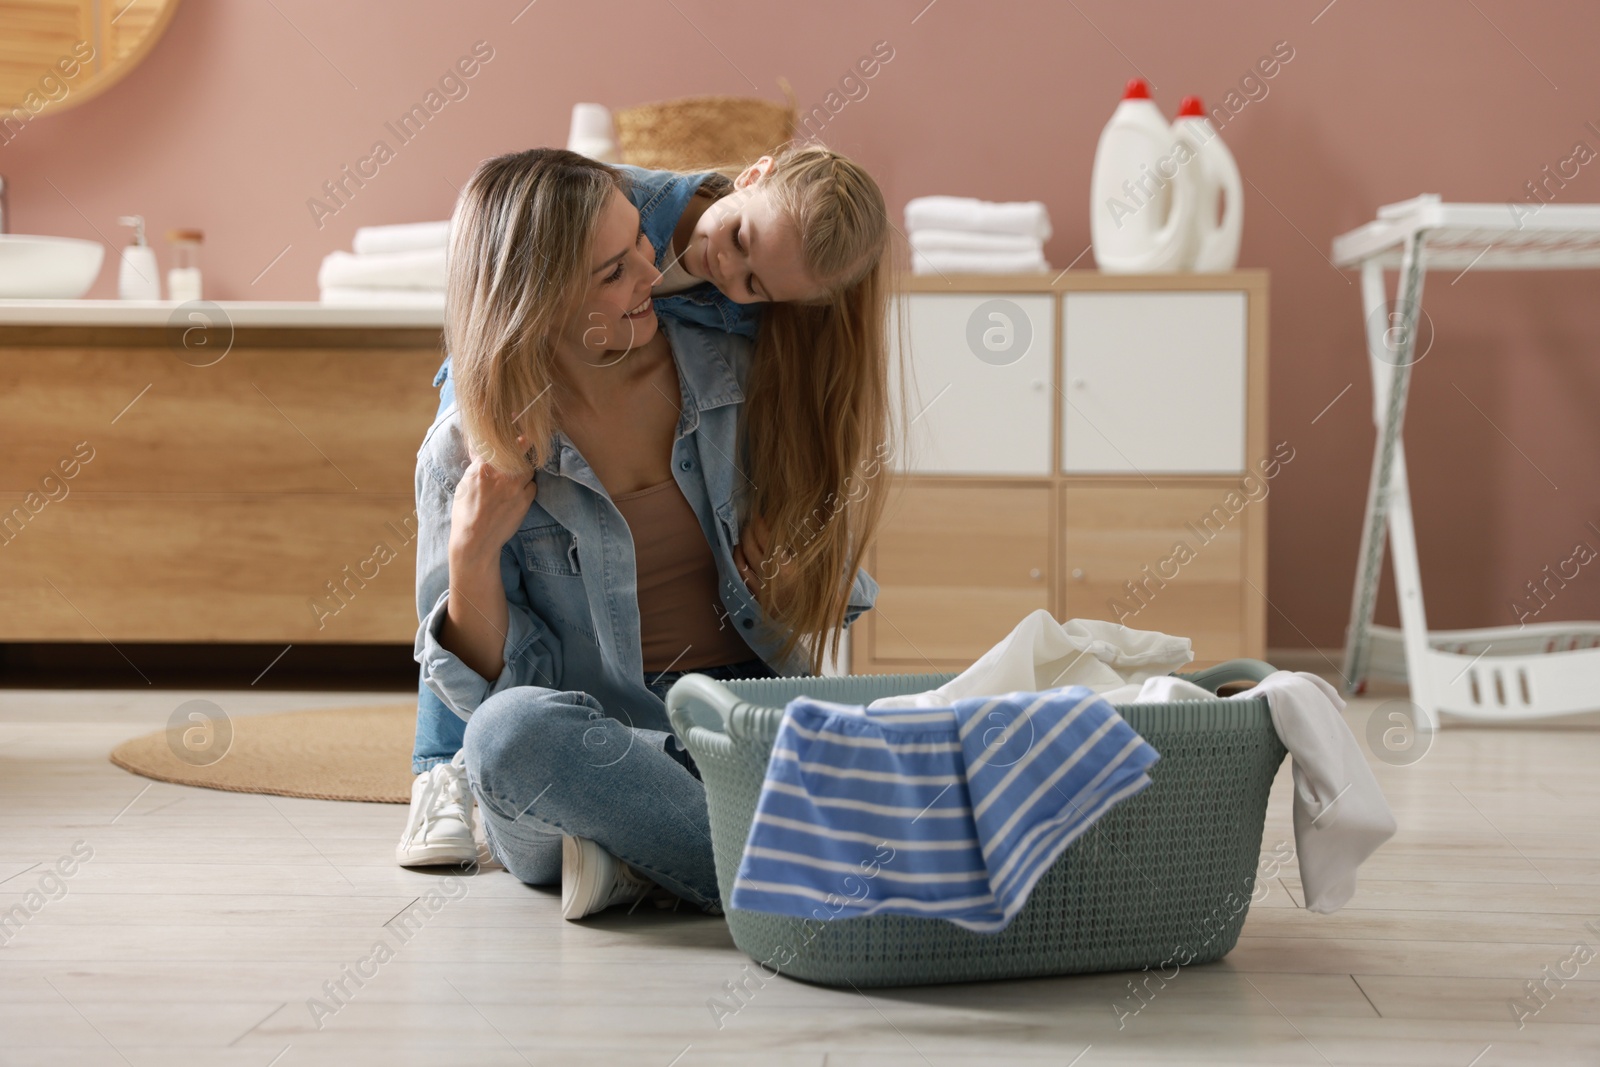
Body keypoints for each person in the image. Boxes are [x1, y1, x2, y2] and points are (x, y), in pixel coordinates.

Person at [406, 147, 895, 918]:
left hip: (731, 716)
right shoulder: (466, 454)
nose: (654, 277)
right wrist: (469, 558)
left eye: (641, 240)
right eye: (614, 272)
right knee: (506, 735)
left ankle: (649, 857)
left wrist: (799, 574)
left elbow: (840, 591)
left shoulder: (733, 372)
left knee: (906, 725)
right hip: (594, 745)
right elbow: (489, 693)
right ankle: (820, 881)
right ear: (538, 295)